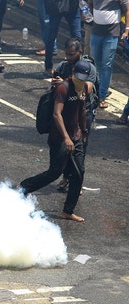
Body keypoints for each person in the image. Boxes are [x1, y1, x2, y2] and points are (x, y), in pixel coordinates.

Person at [20, 60, 93, 223]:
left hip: (76, 136)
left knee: (79, 173)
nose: (80, 81)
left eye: (83, 78)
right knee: (54, 172)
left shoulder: (86, 88)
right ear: (73, 72)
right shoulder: (63, 88)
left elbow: (83, 110)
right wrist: (66, 138)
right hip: (59, 137)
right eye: (78, 77)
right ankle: (24, 187)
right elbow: (56, 114)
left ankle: (68, 211)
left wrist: (83, 131)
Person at [51, 38, 98, 192]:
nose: (70, 57)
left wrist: (65, 82)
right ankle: (66, 177)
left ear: (80, 52)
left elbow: (88, 89)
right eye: (68, 54)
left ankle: (75, 180)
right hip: (67, 110)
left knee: (80, 147)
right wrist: (57, 83)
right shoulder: (63, 65)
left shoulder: (87, 67)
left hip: (84, 109)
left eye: (73, 54)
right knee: (65, 147)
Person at [89, 0, 129, 109]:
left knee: (106, 65)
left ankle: (101, 96)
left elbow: (127, 9)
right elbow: (89, 4)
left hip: (111, 35)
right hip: (96, 33)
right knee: (94, 63)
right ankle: (94, 92)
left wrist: (126, 29)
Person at [42, 0, 82, 77]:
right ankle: (48, 67)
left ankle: (77, 67)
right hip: (56, 7)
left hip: (72, 6)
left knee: (77, 38)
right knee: (51, 37)